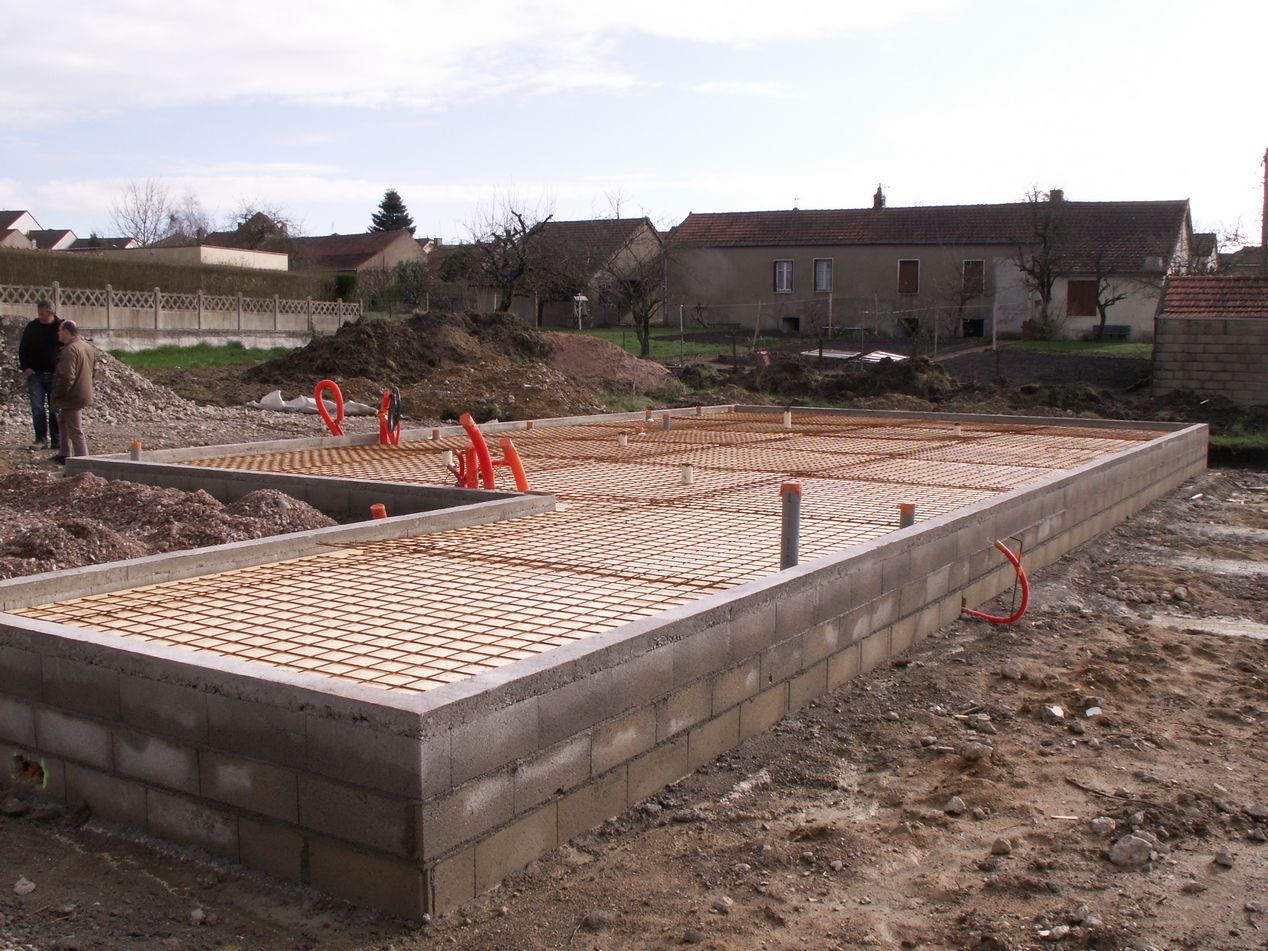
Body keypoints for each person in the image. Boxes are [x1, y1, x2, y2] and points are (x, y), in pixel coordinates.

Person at [17, 299, 62, 449]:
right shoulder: (32, 327)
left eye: (43, 314)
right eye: (39, 314)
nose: (40, 317)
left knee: (55, 409)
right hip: (35, 375)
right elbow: (23, 348)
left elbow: (68, 348)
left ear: (51, 313)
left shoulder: (60, 327)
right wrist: (25, 367)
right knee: (37, 408)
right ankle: (40, 439)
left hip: (55, 375)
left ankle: (57, 439)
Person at [50, 319, 94, 463]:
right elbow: (92, 370)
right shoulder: (86, 346)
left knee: (75, 429)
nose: (58, 333)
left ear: (66, 332)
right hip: (82, 390)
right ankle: (64, 453)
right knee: (63, 421)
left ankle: (83, 460)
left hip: (73, 394)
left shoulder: (69, 350)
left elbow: (66, 377)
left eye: (60, 330)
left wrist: (58, 393)